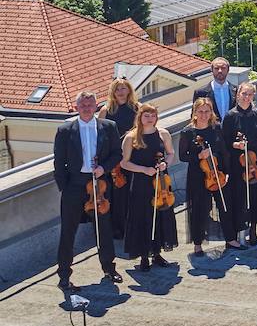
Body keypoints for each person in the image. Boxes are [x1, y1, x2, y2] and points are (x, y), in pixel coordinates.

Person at [53, 90, 122, 290]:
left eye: (90, 104)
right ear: (77, 107)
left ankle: (109, 268)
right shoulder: (65, 130)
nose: (86, 108)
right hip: (74, 186)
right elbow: (59, 163)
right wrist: (65, 189)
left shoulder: (109, 127)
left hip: (99, 184)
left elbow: (117, 154)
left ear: (96, 107)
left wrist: (103, 168)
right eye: (83, 105)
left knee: (103, 229)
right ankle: (64, 275)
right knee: (68, 231)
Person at [121, 104, 179, 271]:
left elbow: (171, 153)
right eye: (146, 115)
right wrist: (143, 170)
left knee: (161, 216)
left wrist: (165, 164)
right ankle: (144, 256)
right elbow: (124, 163)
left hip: (161, 181)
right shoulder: (131, 137)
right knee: (142, 217)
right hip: (141, 182)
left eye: (153, 115)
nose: (150, 118)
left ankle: (157, 253)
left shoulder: (163, 134)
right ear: (140, 117)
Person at [179, 97, 238, 255]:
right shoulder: (188, 132)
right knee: (199, 209)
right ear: (195, 113)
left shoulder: (216, 128)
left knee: (225, 206)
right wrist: (198, 156)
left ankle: (231, 239)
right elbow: (182, 156)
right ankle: (197, 244)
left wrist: (226, 173)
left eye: (207, 111)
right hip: (198, 176)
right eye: (200, 111)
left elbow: (224, 151)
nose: (204, 114)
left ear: (211, 112)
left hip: (217, 173)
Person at [223, 82, 257, 245]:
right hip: (238, 162)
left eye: (250, 94)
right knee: (240, 195)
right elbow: (224, 140)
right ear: (238, 95)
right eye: (244, 94)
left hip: (256, 160)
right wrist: (235, 145)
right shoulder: (230, 115)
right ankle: (240, 228)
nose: (246, 97)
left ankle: (253, 228)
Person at [96, 78, 138, 241]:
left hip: (132, 156)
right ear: (113, 92)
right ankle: (118, 228)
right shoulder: (106, 111)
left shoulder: (137, 108)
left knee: (131, 193)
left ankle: (132, 226)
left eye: (123, 89)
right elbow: (99, 137)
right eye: (117, 89)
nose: (120, 92)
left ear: (129, 91)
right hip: (113, 159)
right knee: (116, 194)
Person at [193, 56, 236, 122]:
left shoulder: (237, 90)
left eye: (223, 68)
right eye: (216, 68)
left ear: (228, 70)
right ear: (211, 70)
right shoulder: (200, 93)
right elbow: (194, 115)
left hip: (232, 130)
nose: (220, 71)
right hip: (211, 130)